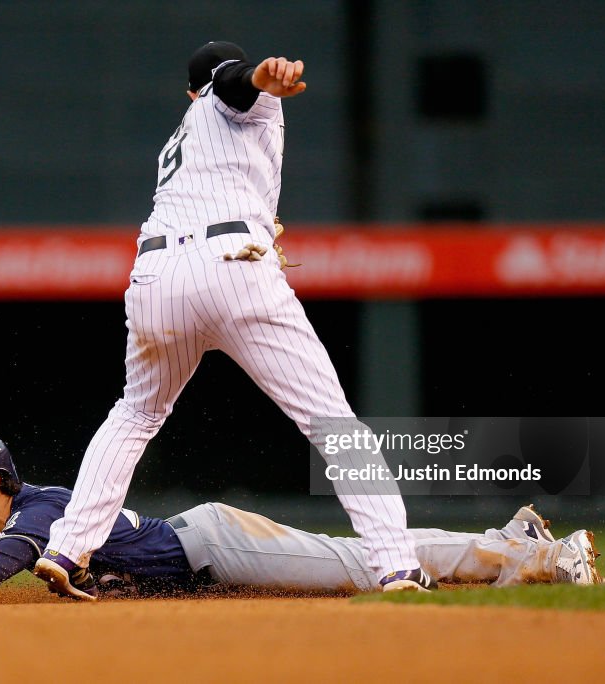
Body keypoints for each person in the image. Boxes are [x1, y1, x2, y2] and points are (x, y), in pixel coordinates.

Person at [34, 39, 429, 600]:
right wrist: (261, 74)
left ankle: (67, 548)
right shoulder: (227, 100)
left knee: (136, 413)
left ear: (185, 92)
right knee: (332, 423)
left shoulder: (180, 138)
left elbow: (222, 94)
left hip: (155, 274)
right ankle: (396, 566)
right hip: (230, 263)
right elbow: (233, 84)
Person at [0, 433, 605, 605]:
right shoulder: (5, 518)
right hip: (201, 559)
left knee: (360, 564)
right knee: (349, 559)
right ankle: (509, 545)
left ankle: (531, 552)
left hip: (215, 547)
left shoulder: (40, 511)